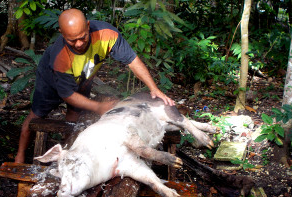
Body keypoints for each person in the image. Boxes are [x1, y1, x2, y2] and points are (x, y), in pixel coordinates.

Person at [14, 8, 175, 164]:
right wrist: (98, 107)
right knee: (36, 115)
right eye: (72, 40)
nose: (78, 44)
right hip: (50, 80)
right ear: (62, 34)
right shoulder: (59, 56)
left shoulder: (107, 34)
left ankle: (66, 148)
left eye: (82, 38)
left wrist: (153, 88)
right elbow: (67, 95)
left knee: (74, 114)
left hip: (84, 76)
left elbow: (133, 61)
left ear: (88, 26)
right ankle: (20, 155)